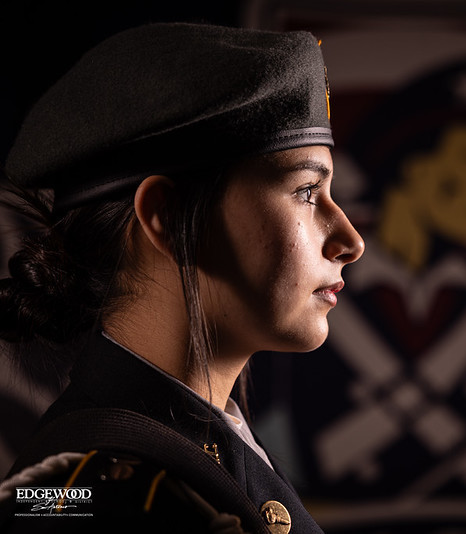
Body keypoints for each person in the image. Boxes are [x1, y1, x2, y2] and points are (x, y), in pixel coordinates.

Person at [0, 22, 364, 533]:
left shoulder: (202, 449)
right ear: (167, 219)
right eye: (306, 192)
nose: (351, 240)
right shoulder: (102, 496)